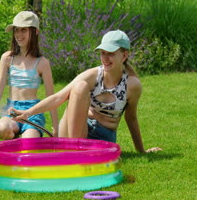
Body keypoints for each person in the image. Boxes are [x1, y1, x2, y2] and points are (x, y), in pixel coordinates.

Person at [12, 30, 162, 153]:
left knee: (80, 86)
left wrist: (141, 151)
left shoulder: (132, 85)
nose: (105, 58)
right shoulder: (93, 75)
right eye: (102, 53)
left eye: (110, 53)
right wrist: (28, 113)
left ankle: (73, 152)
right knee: (79, 87)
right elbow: (59, 97)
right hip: (76, 130)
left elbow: (131, 118)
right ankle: (75, 152)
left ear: (124, 55)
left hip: (103, 137)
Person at [0, 11, 59, 141]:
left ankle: (25, 139)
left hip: (32, 113)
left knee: (29, 143)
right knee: (1, 129)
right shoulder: (7, 58)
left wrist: (56, 127)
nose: (19, 35)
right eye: (16, 30)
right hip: (11, 111)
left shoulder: (42, 63)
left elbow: (51, 97)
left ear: (35, 32)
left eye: (23, 30)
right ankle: (16, 141)